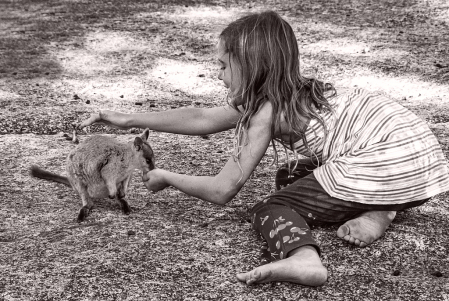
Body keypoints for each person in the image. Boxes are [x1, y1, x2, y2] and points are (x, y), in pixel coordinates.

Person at [79, 11, 449, 286]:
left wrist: (167, 177)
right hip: (419, 161)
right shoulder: (291, 92)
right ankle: (382, 205)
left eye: (224, 66)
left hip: (385, 161)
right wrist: (125, 119)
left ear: (251, 67)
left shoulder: (264, 113)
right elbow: (202, 118)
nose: (218, 74)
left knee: (273, 206)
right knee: (290, 174)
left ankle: (304, 259)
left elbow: (223, 190)